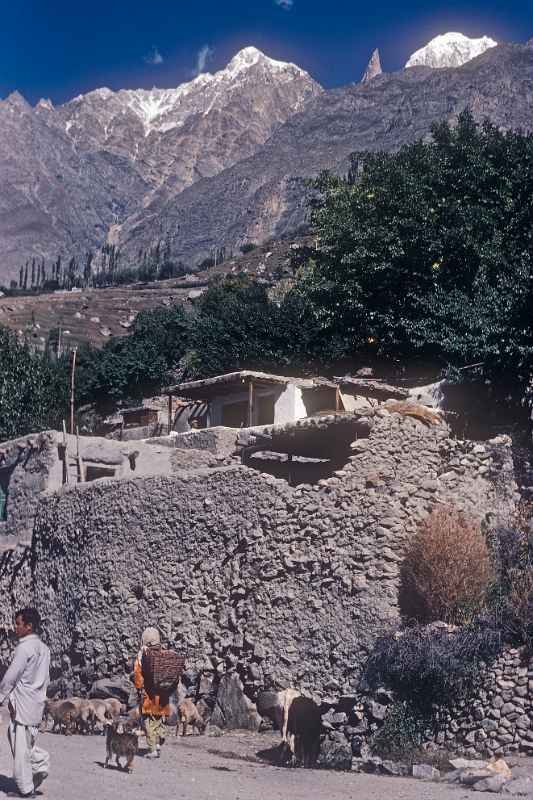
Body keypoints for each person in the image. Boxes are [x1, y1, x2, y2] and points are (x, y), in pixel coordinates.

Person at [0, 608, 50, 798]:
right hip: (36, 704)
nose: (15, 627)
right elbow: (45, 679)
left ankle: (27, 789)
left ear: (29, 626)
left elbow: (11, 677)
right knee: (23, 742)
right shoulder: (44, 649)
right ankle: (38, 767)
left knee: (21, 747)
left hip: (22, 704)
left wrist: (1, 697)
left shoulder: (24, 648)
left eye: (18, 624)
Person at [134, 627, 169, 759]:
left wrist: (139, 688)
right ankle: (159, 741)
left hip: (149, 695)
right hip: (163, 694)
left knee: (148, 721)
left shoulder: (143, 655)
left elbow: (138, 675)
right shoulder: (164, 653)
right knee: (158, 719)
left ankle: (153, 749)